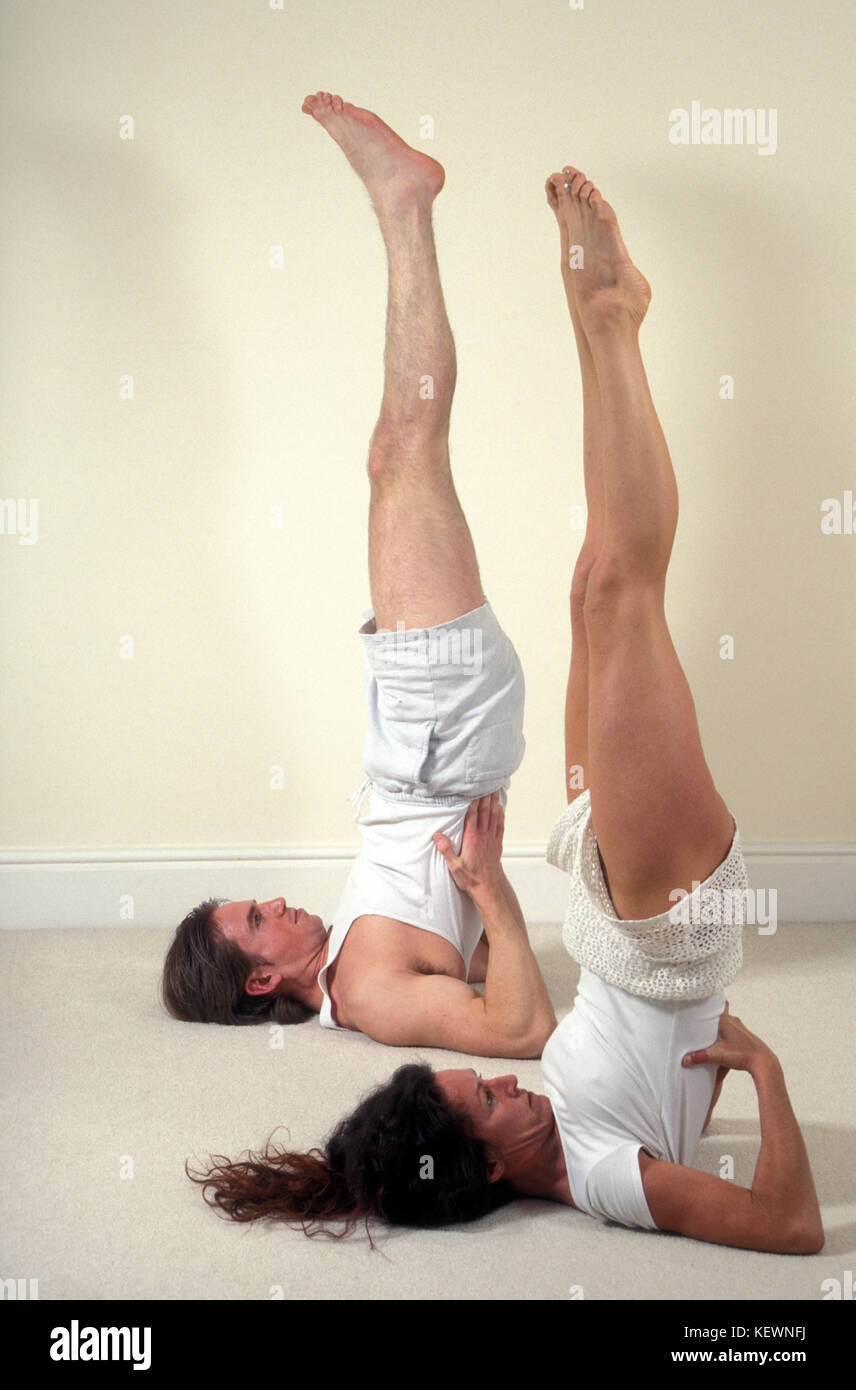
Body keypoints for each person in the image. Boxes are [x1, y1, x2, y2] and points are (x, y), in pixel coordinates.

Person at [187, 119, 824, 1254]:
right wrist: (765, 1071)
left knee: (593, 585)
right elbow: (786, 1228)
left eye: (480, 1084)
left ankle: (608, 318)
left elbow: (573, 1047)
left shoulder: (555, 1133)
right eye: (487, 1099)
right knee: (621, 589)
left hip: (603, 901)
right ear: (486, 1161)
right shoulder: (597, 1178)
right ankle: (605, 322)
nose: (505, 1084)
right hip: (660, 930)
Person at [161, 92, 556, 1059]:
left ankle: (405, 204)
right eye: (261, 919)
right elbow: (525, 1028)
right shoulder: (371, 996)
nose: (281, 902)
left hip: (418, 740)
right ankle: (404, 203)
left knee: (398, 452)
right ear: (263, 979)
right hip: (437, 744)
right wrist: (493, 891)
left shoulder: (349, 968)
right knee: (402, 449)